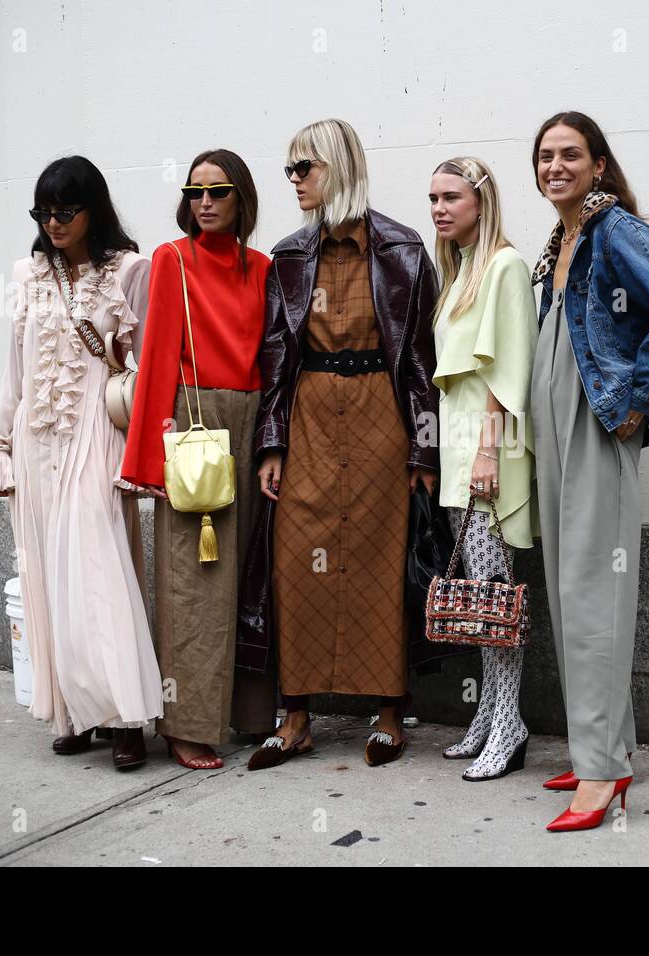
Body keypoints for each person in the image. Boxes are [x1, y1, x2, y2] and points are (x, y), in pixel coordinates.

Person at [528, 111, 649, 831]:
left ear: (598, 165)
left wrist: (639, 399)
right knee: (569, 589)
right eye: (544, 156)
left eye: (570, 154)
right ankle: (603, 746)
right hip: (556, 425)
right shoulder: (560, 240)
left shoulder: (616, 231)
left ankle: (603, 777)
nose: (555, 166)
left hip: (595, 422)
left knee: (594, 594)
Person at [238, 118, 439, 770]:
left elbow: (423, 363)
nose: (294, 181)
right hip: (311, 420)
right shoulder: (291, 256)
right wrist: (271, 444)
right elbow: (275, 358)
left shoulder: (403, 251)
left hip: (383, 417)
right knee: (297, 562)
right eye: (291, 170)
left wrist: (425, 451)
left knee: (382, 562)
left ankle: (389, 714)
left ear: (340, 169)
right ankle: (293, 717)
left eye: (306, 168)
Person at [0, 155, 162, 770]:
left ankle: (127, 716)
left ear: (93, 209)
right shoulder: (27, 276)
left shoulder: (129, 270)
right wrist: (0, 448)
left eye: (65, 210)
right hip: (37, 443)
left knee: (99, 575)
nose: (53, 223)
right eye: (43, 212)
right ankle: (77, 712)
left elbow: (146, 367)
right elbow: (14, 371)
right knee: (49, 582)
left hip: (95, 436)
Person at [118, 149, 276, 769]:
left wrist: (274, 442)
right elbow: (156, 353)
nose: (204, 202)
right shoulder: (171, 260)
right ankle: (184, 723)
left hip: (252, 415)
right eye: (195, 192)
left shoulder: (261, 267)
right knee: (194, 582)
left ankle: (244, 715)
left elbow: (272, 356)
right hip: (193, 422)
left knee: (246, 576)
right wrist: (146, 463)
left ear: (243, 200)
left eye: (219, 191)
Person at [427, 156, 540, 780]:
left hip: (489, 451)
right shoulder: (464, 267)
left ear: (481, 200)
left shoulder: (505, 265)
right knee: (479, 597)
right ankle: (491, 715)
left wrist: (491, 451)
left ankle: (510, 722)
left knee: (494, 598)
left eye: (452, 197)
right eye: (433, 198)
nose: (440, 208)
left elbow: (506, 367)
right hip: (463, 449)